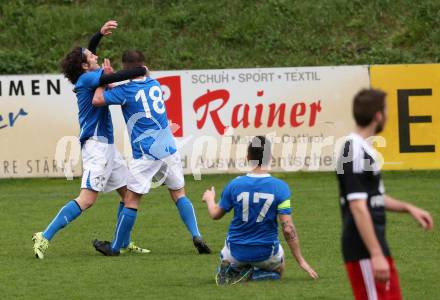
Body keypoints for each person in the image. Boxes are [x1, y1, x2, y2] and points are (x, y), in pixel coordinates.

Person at [32, 21, 150, 259]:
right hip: (96, 146)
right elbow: (115, 75)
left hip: (107, 147)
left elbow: (96, 64)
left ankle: (123, 241)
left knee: (129, 195)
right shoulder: (87, 79)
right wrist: (141, 72)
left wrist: (98, 34)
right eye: (90, 56)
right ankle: (44, 236)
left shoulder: (88, 75)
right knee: (86, 199)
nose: (95, 55)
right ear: (85, 66)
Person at [90, 50, 211, 255]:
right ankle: (196, 234)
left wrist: (105, 78)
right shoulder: (153, 84)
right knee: (179, 194)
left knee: (131, 200)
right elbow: (134, 83)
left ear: (124, 68)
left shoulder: (126, 91)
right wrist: (115, 79)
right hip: (168, 148)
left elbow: (98, 99)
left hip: (145, 153)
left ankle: (115, 248)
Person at [336, 89, 434, 299]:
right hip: (363, 248)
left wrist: (408, 208)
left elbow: (372, 198)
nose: (388, 116)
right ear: (378, 115)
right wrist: (376, 254)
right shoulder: (351, 151)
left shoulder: (363, 149)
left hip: (375, 245)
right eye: (386, 110)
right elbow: (357, 206)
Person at [202, 136, 318, 285]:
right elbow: (288, 229)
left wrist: (210, 198)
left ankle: (233, 269)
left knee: (232, 250)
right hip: (266, 254)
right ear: (270, 157)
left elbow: (215, 214)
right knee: (279, 270)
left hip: (235, 253)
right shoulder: (280, 187)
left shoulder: (234, 185)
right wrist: (301, 261)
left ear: (247, 157)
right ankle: (253, 276)